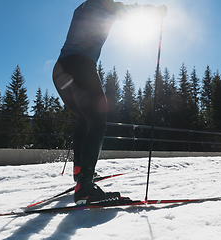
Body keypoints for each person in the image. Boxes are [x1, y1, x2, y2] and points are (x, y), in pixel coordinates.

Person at [52, 0, 167, 205]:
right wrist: (156, 11)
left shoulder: (81, 7)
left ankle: (80, 173)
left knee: (84, 120)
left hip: (61, 69)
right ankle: (85, 187)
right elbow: (131, 11)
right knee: (98, 122)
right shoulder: (106, 4)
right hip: (81, 67)